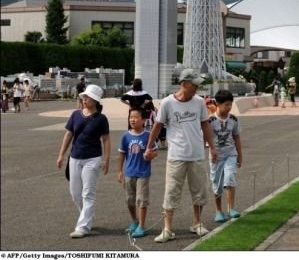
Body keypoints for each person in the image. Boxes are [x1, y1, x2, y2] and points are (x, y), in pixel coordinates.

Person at [143, 68, 218, 243]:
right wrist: (149, 147)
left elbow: (205, 125)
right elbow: (157, 126)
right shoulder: (168, 103)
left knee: (199, 190)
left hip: (197, 154)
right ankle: (167, 228)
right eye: (194, 85)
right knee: (171, 192)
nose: (197, 89)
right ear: (184, 84)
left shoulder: (199, 102)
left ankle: (197, 222)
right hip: (176, 155)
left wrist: (212, 147)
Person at [56, 84, 111, 238]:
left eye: (87, 97)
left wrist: (106, 159)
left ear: (95, 100)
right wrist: (61, 155)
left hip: (92, 159)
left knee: (88, 193)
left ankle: (83, 227)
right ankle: (87, 217)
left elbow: (106, 140)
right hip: (74, 157)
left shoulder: (101, 119)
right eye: (84, 97)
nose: (84, 99)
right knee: (75, 193)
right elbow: (68, 135)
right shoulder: (75, 115)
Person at [117, 107, 158, 238]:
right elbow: (122, 154)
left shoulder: (147, 136)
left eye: (135, 117)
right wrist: (119, 171)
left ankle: (141, 225)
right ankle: (134, 220)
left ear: (143, 120)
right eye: (131, 118)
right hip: (129, 173)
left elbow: (155, 151)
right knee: (129, 200)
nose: (132, 120)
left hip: (143, 173)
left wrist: (150, 155)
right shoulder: (126, 136)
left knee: (141, 200)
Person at [208, 90, 242, 223]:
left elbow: (236, 137)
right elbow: (207, 138)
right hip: (216, 157)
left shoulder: (233, 119)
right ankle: (218, 211)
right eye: (226, 104)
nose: (229, 107)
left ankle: (231, 208)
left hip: (230, 154)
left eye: (230, 104)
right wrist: (211, 151)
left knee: (230, 178)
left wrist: (239, 155)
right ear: (218, 104)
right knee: (217, 183)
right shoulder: (210, 121)